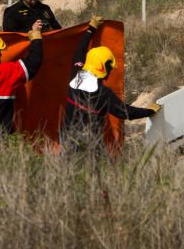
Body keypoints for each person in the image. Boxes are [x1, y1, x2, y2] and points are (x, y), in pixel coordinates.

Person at [58, 15, 158, 153]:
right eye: (109, 68)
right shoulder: (103, 94)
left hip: (66, 141)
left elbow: (79, 52)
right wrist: (150, 111)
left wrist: (91, 29)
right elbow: (126, 112)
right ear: (103, 68)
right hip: (91, 148)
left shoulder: (76, 74)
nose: (110, 71)